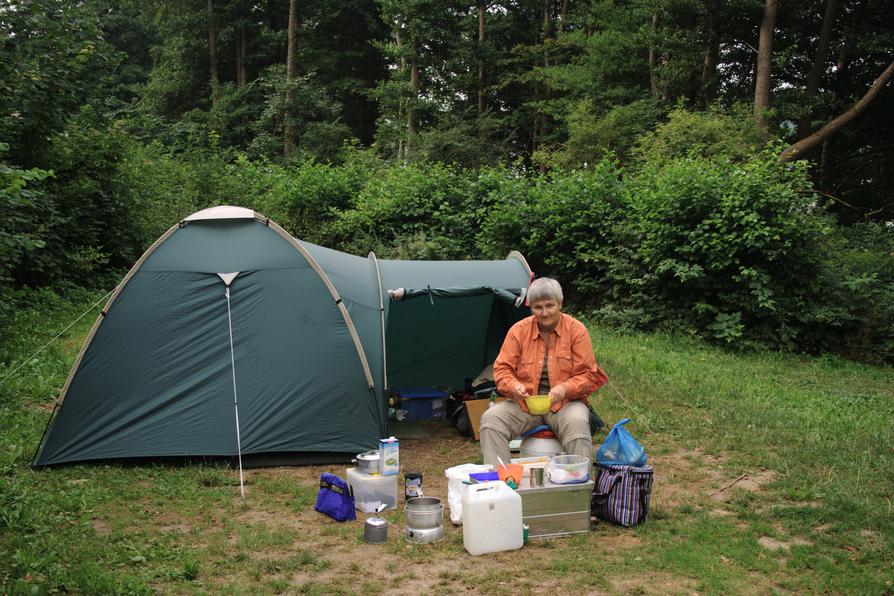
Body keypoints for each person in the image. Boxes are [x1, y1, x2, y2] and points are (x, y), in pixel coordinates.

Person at [480, 277, 608, 467]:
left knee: (578, 424)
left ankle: (578, 487)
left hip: (566, 403)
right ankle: (500, 483)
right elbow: (502, 369)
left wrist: (564, 389)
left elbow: (588, 375)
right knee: (491, 420)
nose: (545, 312)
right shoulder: (518, 331)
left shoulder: (577, 330)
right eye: (538, 307)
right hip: (525, 403)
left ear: (560, 304)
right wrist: (514, 386)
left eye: (550, 305)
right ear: (530, 307)